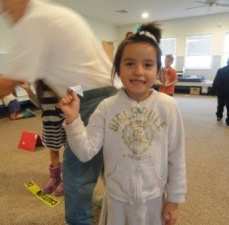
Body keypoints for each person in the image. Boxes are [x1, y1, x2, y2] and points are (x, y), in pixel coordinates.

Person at [0, 1, 117, 224]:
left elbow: (5, 84)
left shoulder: (34, 20)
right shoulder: (55, 14)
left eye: (3, 2)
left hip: (90, 101)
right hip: (108, 93)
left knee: (75, 177)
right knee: (107, 159)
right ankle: (115, 201)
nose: (1, 10)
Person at [60, 22, 186, 225]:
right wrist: (73, 120)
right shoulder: (106, 107)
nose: (138, 71)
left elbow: (176, 157)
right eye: (129, 64)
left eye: (147, 64)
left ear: (158, 69)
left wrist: (173, 200)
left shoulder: (168, 107)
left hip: (154, 200)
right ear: (118, 69)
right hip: (117, 201)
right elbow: (85, 152)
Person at [21, 80, 65, 196]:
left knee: (70, 151)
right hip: (50, 124)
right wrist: (28, 90)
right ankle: (55, 178)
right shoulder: (39, 84)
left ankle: (67, 178)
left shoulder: (61, 79)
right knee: (53, 150)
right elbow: (39, 104)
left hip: (65, 122)